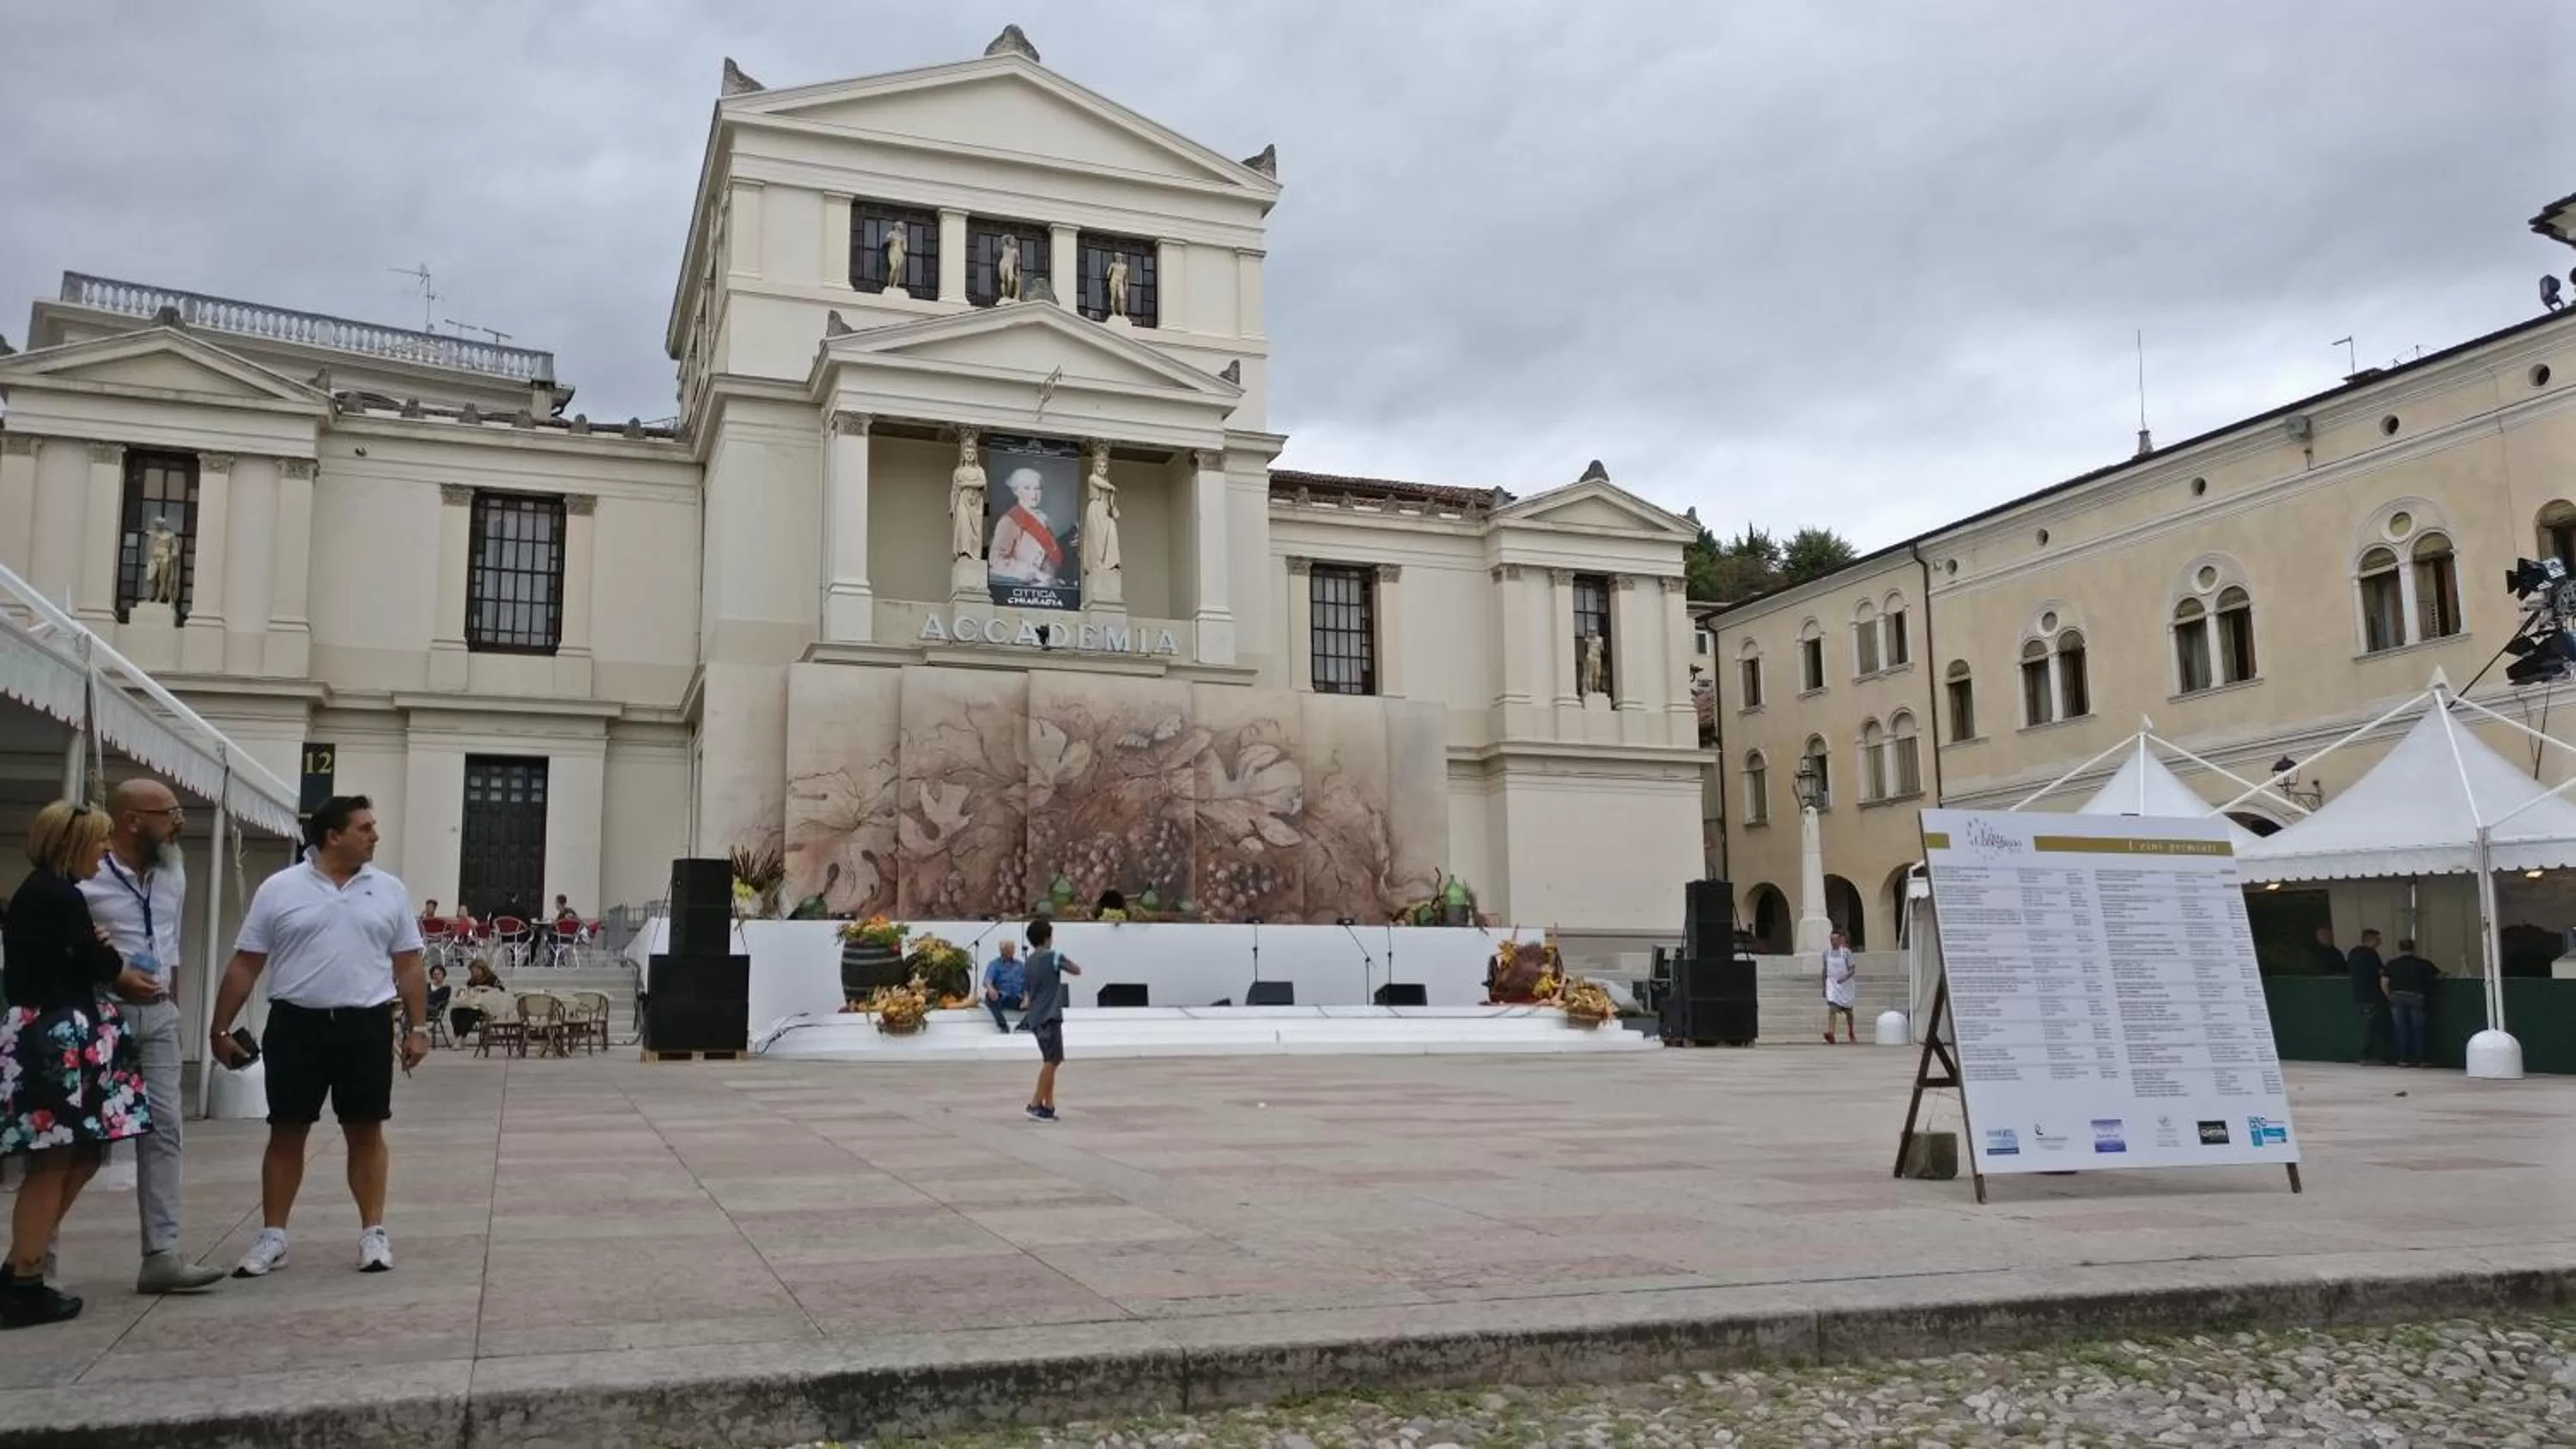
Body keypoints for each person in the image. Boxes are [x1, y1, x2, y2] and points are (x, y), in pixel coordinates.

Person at [209, 797, 428, 1276]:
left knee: (366, 1129)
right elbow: (248, 961)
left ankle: (373, 1233)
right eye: (365, 828)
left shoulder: (389, 890)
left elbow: (409, 963)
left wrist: (418, 1026)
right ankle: (274, 1235)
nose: (375, 835)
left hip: (365, 1022)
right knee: (286, 1130)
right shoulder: (279, 889)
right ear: (334, 836)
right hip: (295, 1022)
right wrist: (220, 1025)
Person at [1, 802, 157, 1327]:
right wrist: (103, 949)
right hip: (58, 1037)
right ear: (73, 844)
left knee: (80, 1155)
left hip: (57, 1032)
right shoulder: (59, 897)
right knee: (54, 1160)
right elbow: (102, 965)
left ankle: (21, 1263)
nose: (105, 851)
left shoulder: (42, 893)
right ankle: (24, 1275)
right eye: (98, 841)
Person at [76, 779, 227, 1294]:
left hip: (158, 1014)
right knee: (79, 1138)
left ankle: (161, 1253)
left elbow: (170, 944)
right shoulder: (85, 876)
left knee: (165, 1129)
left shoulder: (173, 873)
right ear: (131, 820)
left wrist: (172, 1006)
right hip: (101, 1012)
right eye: (168, 813)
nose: (179, 822)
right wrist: (115, 974)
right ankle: (33, 1259)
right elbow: (62, 947)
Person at [1019, 916, 1081, 1122]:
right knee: (1053, 1061)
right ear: (1047, 938)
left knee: (1050, 1060)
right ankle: (1035, 1103)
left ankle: (1049, 1104)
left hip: (1036, 1016)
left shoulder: (1028, 963)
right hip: (1050, 1015)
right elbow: (1076, 970)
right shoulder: (1053, 956)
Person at [2380, 939, 2444, 1069]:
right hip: (2416, 997)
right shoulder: (2423, 964)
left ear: (2399, 948)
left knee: (2400, 1029)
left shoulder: (2391, 964)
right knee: (2418, 1029)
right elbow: (2439, 976)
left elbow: (2384, 982)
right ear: (2413, 948)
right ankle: (2421, 1059)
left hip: (2397, 996)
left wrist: (2389, 996)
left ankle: (2403, 1059)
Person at [2347, 928, 2389, 1064]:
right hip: (2372, 994)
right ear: (2371, 939)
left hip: (2358, 994)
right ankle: (2367, 1056)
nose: (2380, 942)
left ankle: (2366, 1056)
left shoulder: (2353, 953)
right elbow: (2381, 971)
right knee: (2371, 1027)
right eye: (2377, 939)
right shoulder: (2371, 954)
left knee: (2365, 1026)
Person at [1820, 929, 1857, 1044]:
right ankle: (1831, 1033)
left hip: (1845, 985)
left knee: (1849, 1011)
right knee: (1832, 1009)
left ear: (1840, 940)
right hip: (1832, 984)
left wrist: (1845, 978)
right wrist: (1823, 986)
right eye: (1831, 939)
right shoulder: (1826, 953)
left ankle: (1851, 1031)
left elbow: (1852, 969)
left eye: (1835, 939)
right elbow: (1825, 970)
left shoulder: (1846, 953)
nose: (1833, 942)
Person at [981, 938, 1026, 1034]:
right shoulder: (994, 964)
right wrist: (990, 988)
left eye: (1013, 948)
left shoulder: (1020, 965)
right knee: (988, 997)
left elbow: (1028, 983)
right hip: (1002, 998)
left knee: (1039, 998)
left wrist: (1027, 996)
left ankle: (1024, 1025)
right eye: (1009, 948)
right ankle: (1003, 1026)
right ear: (1002, 950)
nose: (1012, 950)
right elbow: (987, 980)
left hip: (1019, 999)